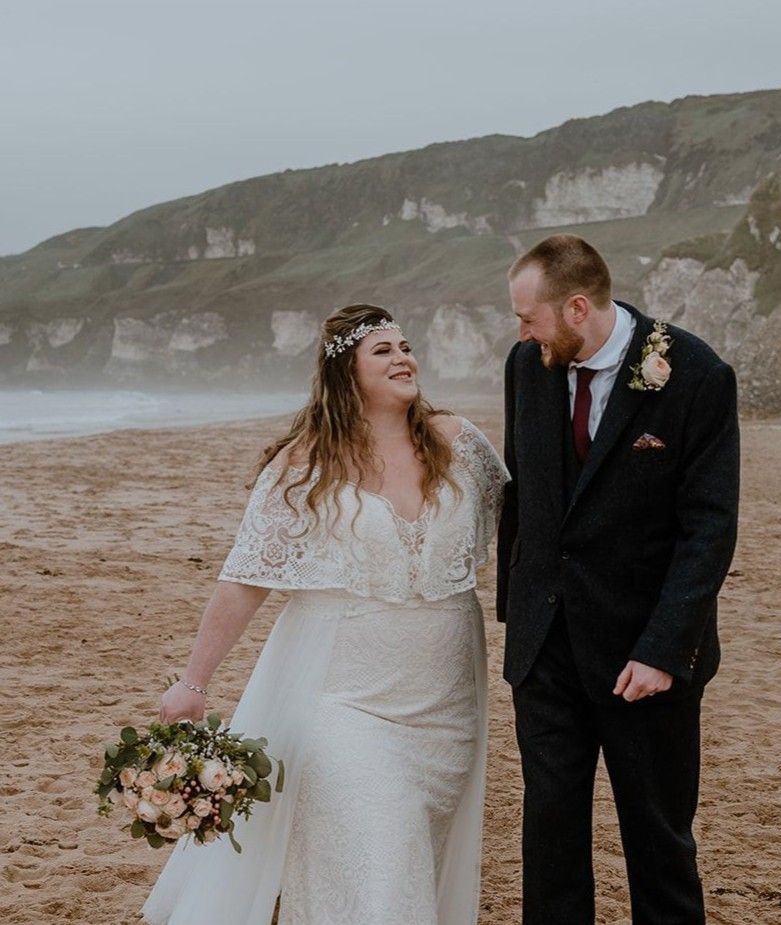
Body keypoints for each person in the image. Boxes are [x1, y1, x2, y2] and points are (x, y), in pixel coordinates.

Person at [141, 304, 508, 925]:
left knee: (412, 857)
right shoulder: (306, 463)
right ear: (346, 372)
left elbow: (528, 535)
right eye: (383, 351)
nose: (404, 359)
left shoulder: (460, 442)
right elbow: (244, 579)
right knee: (383, 856)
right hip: (345, 697)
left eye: (406, 346)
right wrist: (192, 683)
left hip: (447, 705)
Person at [496, 235, 740, 924]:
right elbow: (526, 495)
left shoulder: (694, 374)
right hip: (545, 651)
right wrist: (518, 620)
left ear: (577, 307)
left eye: (528, 317)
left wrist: (664, 648)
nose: (519, 333)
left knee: (657, 842)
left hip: (645, 655)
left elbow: (709, 528)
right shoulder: (527, 364)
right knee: (548, 838)